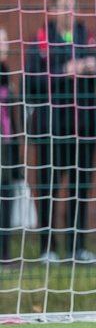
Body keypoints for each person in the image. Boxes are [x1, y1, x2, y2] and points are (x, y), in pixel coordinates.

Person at [24, 0, 96, 263]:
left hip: (85, 128)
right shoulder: (41, 40)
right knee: (48, 188)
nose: (68, 13)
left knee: (80, 189)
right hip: (51, 129)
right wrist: (64, 71)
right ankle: (48, 248)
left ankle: (77, 247)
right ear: (53, 9)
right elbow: (30, 82)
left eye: (72, 7)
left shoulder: (87, 36)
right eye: (63, 7)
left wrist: (91, 66)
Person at [1, 27, 24, 264]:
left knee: (6, 196)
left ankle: (4, 252)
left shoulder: (6, 72)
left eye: (5, 42)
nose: (3, 46)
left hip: (6, 144)